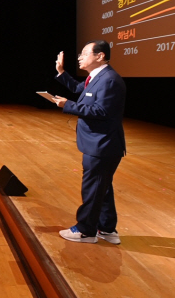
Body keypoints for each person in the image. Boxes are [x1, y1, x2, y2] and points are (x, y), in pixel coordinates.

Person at [52, 40, 126, 245]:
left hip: (102, 145)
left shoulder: (109, 80)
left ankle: (85, 231)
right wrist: (61, 72)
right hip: (98, 143)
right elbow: (79, 89)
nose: (79, 57)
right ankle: (107, 229)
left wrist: (68, 105)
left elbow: (102, 111)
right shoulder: (97, 77)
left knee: (93, 188)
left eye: (84, 53)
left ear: (100, 56)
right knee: (102, 187)